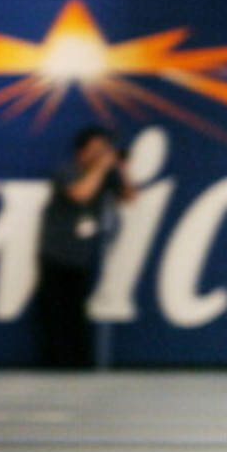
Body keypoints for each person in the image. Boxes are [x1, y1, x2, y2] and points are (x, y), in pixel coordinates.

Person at [35, 125, 134, 368]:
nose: (101, 154)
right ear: (82, 151)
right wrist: (102, 166)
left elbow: (130, 197)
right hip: (55, 254)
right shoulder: (67, 170)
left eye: (104, 150)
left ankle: (78, 363)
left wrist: (122, 169)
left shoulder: (104, 176)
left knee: (78, 314)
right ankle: (52, 363)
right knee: (54, 313)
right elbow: (81, 194)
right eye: (96, 150)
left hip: (82, 256)